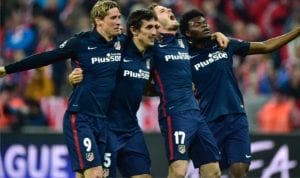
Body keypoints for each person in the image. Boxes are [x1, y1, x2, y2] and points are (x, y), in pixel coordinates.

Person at [0, 1, 123, 178]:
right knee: (95, 174)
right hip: (81, 117)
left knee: (88, 174)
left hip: (103, 120)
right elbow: (46, 57)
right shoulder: (80, 42)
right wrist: (7, 69)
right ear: (98, 20)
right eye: (113, 17)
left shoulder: (121, 43)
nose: (119, 21)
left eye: (119, 17)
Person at [179, 9, 300, 178]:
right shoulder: (184, 59)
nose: (204, 26)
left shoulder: (224, 44)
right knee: (210, 173)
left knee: (239, 170)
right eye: (197, 25)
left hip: (236, 117)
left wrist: (297, 31)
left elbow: (266, 46)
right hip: (209, 121)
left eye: (204, 22)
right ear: (187, 32)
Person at [69, 9, 158, 178]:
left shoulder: (152, 54)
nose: (154, 32)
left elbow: (143, 85)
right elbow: (88, 52)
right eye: (149, 27)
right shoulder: (119, 46)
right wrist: (75, 71)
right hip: (106, 128)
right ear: (134, 30)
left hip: (131, 129)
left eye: (156, 27)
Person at [147, 4, 228, 178]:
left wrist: (216, 34)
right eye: (162, 11)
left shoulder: (183, 41)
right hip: (175, 114)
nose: (169, 11)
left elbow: (201, 38)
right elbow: (140, 82)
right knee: (178, 171)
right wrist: (162, 89)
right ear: (155, 24)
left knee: (213, 171)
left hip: (196, 114)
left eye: (168, 9)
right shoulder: (152, 48)